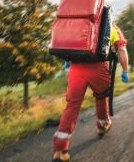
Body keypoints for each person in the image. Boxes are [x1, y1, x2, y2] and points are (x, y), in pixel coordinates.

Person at [52, 24, 129, 162]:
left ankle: (60, 150)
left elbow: (67, 46)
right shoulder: (111, 26)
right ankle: (102, 124)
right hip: (98, 68)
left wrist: (68, 62)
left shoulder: (77, 24)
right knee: (101, 96)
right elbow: (121, 49)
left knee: (72, 105)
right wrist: (125, 70)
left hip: (76, 69)